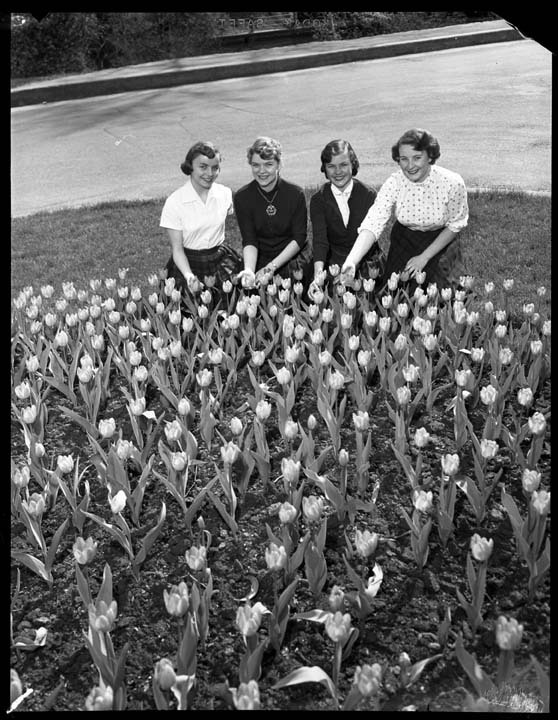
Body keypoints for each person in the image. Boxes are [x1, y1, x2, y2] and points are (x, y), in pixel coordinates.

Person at [340, 128, 469, 291]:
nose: (410, 166)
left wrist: (424, 257)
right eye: (404, 159)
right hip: (405, 239)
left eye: (417, 158)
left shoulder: (452, 182)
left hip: (440, 240)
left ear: (430, 156)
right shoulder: (395, 182)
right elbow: (374, 221)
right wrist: (352, 260)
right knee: (396, 294)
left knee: (444, 295)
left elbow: (455, 225)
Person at [160, 140, 242, 293]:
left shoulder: (224, 194)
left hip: (220, 259)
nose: (210, 174)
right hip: (188, 264)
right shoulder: (175, 202)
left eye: (215, 168)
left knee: (230, 302)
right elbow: (177, 249)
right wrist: (189, 276)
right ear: (190, 167)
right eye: (203, 167)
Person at [308, 139, 382, 297]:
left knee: (370, 301)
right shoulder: (318, 200)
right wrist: (318, 276)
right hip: (334, 263)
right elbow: (320, 241)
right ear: (325, 169)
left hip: (367, 263)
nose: (338, 172)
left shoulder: (369, 195)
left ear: (353, 165)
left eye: (343, 165)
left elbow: (370, 237)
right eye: (331, 166)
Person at [233, 136, 310, 288]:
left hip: (291, 256)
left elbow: (299, 238)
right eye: (256, 165)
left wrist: (271, 268)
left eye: (268, 164)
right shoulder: (242, 197)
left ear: (279, 164)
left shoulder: (295, 194)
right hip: (259, 256)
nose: (261, 171)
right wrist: (249, 269)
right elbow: (249, 239)